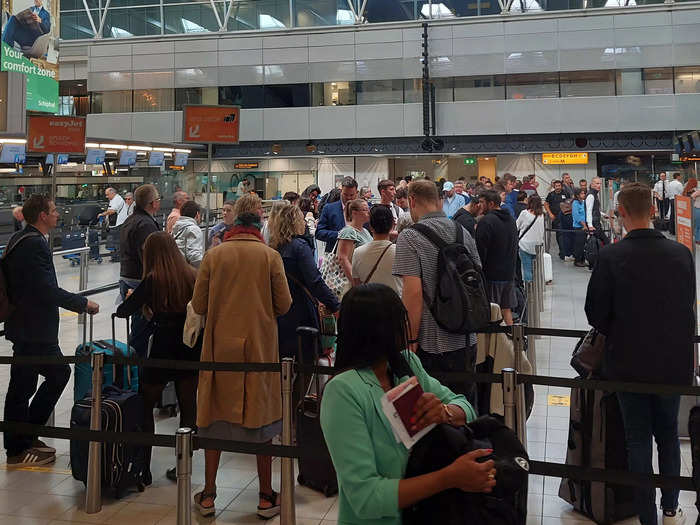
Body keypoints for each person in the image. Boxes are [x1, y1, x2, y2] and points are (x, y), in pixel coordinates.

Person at [320, 284, 493, 525]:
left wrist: (443, 413)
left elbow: (466, 407)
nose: (408, 328)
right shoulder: (343, 392)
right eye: (400, 321)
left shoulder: (406, 365)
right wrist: (448, 478)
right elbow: (365, 496)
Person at [585, 182, 695, 525]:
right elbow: (687, 303)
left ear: (620, 213)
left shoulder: (611, 256)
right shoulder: (681, 254)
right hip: (673, 364)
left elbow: (595, 314)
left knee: (637, 440)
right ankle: (671, 507)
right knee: (668, 436)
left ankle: (646, 514)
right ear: (653, 210)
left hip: (627, 364)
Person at [191, 211, 292, 519]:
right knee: (263, 425)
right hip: (259, 350)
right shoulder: (270, 256)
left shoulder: (214, 256)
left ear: (233, 229)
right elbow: (284, 304)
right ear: (257, 229)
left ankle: (208, 495)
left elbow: (198, 304)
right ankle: (265, 497)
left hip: (220, 348)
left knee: (213, 419)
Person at [3, 194, 99, 466]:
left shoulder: (21, 238)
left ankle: (23, 441)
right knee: (56, 375)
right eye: (54, 210)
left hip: (25, 326)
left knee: (23, 386)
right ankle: (20, 445)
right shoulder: (33, 243)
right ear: (42, 216)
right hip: (34, 329)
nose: (58, 214)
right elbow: (44, 289)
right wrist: (81, 303)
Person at [116, 232, 200, 484]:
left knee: (146, 402)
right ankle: (183, 465)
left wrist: (135, 299)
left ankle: (143, 466)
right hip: (189, 346)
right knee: (188, 405)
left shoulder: (153, 279)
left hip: (162, 346)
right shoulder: (191, 275)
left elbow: (123, 312)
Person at [393, 180, 481, 401]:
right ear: (439, 200)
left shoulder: (410, 237)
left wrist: (409, 342)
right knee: (462, 408)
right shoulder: (463, 232)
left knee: (432, 413)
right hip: (467, 337)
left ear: (411, 200)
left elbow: (412, 294)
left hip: (431, 342)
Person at [271, 204, 340, 361]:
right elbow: (315, 281)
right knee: (305, 358)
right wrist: (335, 305)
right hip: (301, 310)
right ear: (294, 222)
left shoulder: (274, 247)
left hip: (279, 312)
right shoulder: (300, 247)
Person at [119, 184, 161, 357]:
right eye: (158, 199)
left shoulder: (131, 220)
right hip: (139, 284)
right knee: (141, 334)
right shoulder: (145, 224)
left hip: (127, 278)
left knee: (139, 330)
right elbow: (149, 258)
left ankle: (134, 372)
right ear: (153, 203)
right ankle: (135, 375)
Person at [476, 190, 519, 325]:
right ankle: (513, 340)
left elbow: (480, 250)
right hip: (509, 273)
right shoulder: (511, 219)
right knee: (506, 309)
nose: (479, 206)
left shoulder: (487, 221)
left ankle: (496, 344)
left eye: (482, 202)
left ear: (491, 203)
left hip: (492, 275)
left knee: (493, 313)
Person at [352, 205, 402, 295]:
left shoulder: (357, 253)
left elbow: (357, 285)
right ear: (392, 226)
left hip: (368, 305)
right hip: (395, 304)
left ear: (371, 227)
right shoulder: (401, 252)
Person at [316, 177, 358, 253]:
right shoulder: (329, 208)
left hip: (357, 255)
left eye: (351, 195)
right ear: (341, 191)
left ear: (357, 193)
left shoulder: (362, 209)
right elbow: (319, 233)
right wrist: (340, 235)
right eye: (345, 194)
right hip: (335, 257)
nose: (348, 198)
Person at [337, 199, 372, 284]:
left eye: (368, 209)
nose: (368, 212)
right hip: (352, 280)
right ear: (354, 213)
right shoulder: (348, 232)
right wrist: (355, 282)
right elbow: (343, 258)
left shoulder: (365, 230)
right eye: (364, 210)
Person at [516, 195, 545, 283]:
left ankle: (528, 290)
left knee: (526, 268)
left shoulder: (524, 213)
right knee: (535, 269)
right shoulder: (541, 215)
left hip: (525, 245)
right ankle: (535, 287)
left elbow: (516, 226)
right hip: (537, 246)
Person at [98, 187, 128, 262]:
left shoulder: (117, 199)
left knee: (117, 241)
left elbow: (112, 211)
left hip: (119, 224)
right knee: (114, 241)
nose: (107, 197)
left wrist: (102, 214)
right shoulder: (113, 199)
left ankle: (117, 257)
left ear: (113, 193)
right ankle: (115, 256)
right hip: (114, 224)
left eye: (108, 195)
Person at [172, 200, 204, 268]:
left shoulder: (176, 228)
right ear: (197, 214)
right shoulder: (194, 229)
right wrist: (207, 266)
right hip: (187, 272)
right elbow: (194, 256)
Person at [544, 180, 569, 261]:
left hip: (565, 217)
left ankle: (565, 252)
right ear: (554, 187)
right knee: (559, 235)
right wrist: (550, 214)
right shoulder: (551, 195)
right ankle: (562, 252)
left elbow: (570, 202)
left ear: (561, 186)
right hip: (556, 218)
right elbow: (546, 204)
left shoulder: (565, 193)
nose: (558, 187)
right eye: (556, 186)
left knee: (566, 234)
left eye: (559, 185)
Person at [586, 177, 608, 244]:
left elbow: (594, 209)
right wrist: (590, 225)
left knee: (600, 242)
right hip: (594, 224)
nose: (599, 185)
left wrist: (603, 214)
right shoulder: (591, 196)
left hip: (596, 222)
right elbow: (588, 211)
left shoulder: (594, 195)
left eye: (600, 184)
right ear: (592, 184)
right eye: (597, 183)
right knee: (605, 241)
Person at [571, 189, 588, 267]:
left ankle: (582, 259)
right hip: (578, 227)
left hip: (585, 226)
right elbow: (576, 216)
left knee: (583, 244)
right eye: (582, 193)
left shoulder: (584, 202)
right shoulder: (575, 203)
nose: (583, 195)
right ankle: (577, 260)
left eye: (584, 193)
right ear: (577, 195)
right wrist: (583, 225)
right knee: (579, 244)